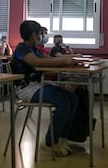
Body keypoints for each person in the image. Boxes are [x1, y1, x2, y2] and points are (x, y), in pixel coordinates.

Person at [11, 20, 78, 157]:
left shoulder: (34, 49)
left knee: (73, 98)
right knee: (64, 102)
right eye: (40, 34)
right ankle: (49, 142)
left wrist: (70, 57)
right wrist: (64, 61)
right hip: (26, 89)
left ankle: (62, 139)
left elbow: (49, 58)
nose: (42, 37)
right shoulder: (22, 48)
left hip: (38, 85)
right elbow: (37, 62)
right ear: (34, 35)